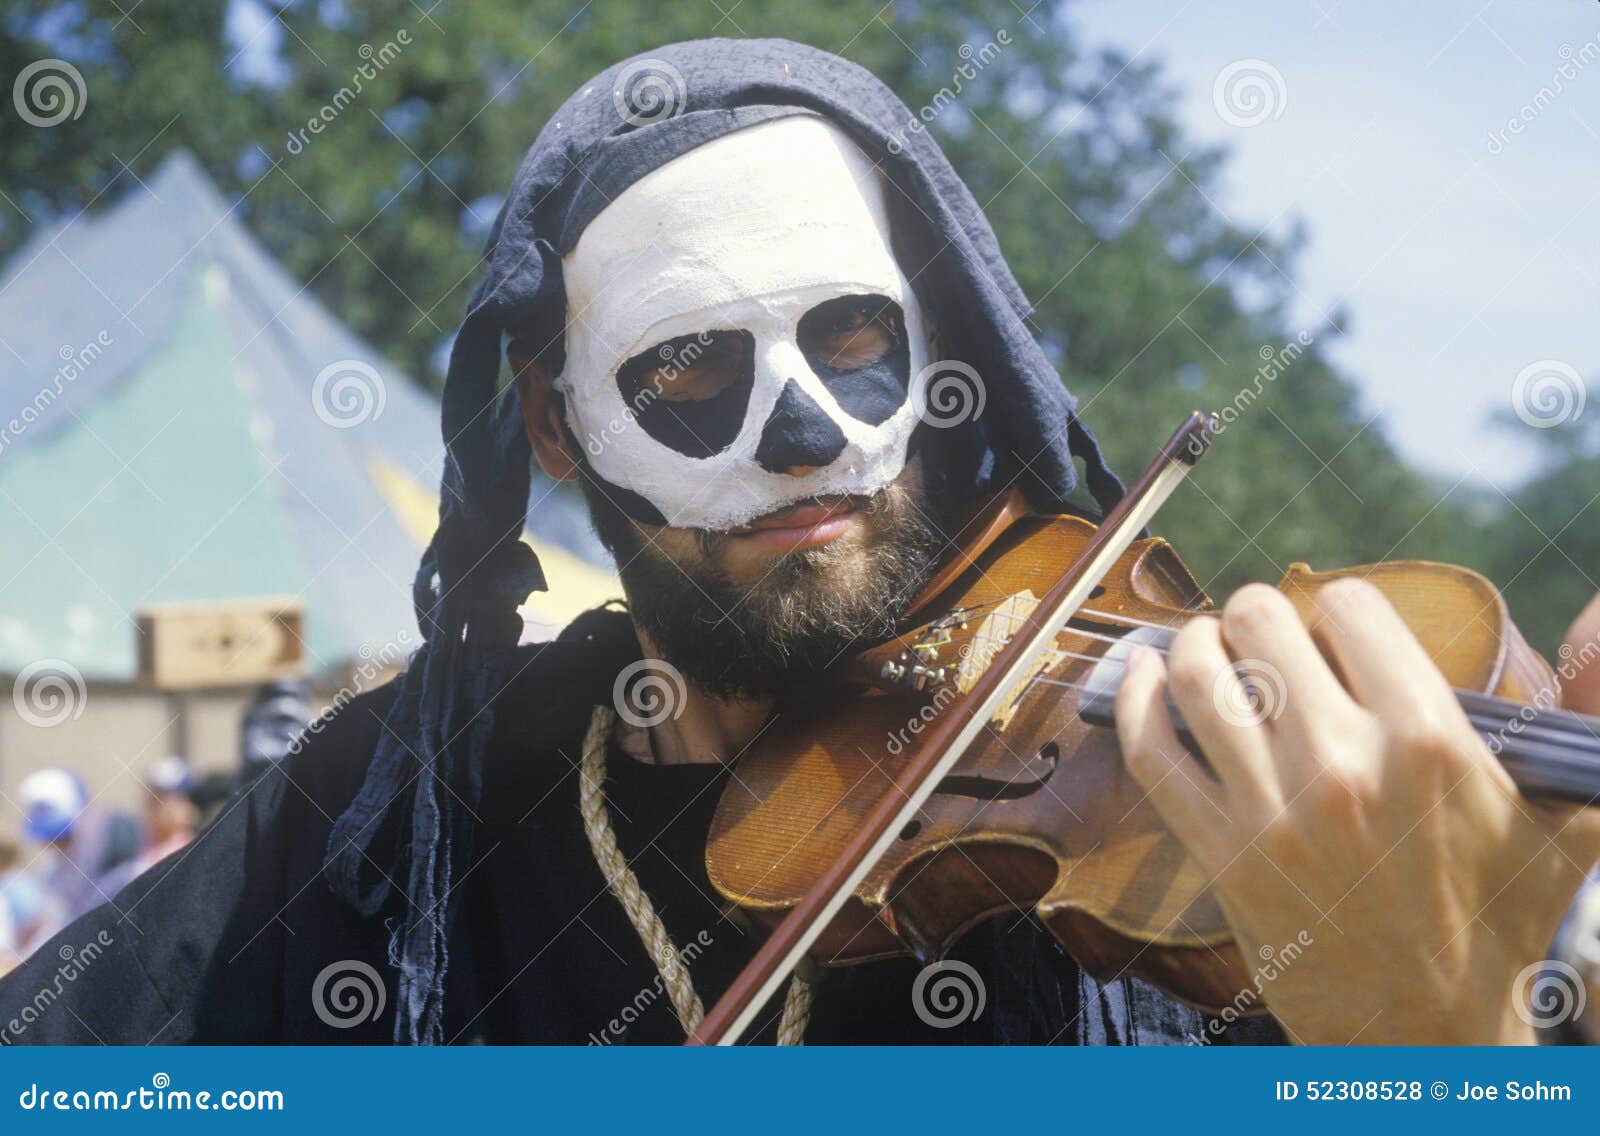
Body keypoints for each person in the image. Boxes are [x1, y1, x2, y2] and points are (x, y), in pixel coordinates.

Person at [1, 39, 1595, 1046]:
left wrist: (1442, 1047)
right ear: (557, 431)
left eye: (854, 341)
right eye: (688, 370)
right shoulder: (393, 815)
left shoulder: (1226, 883)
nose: (808, 434)